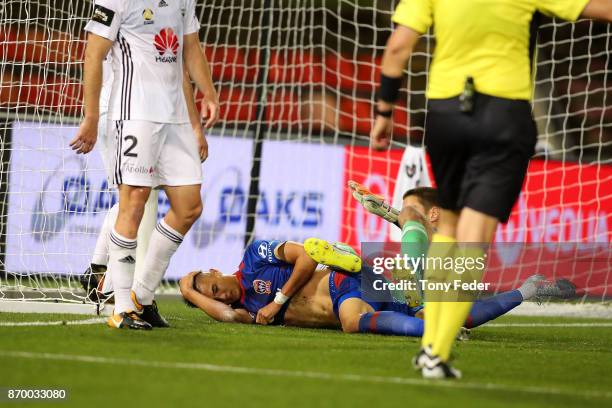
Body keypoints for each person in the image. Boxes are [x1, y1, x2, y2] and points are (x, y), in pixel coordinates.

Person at [369, 0, 612, 378]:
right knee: (474, 239)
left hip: (446, 117)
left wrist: (384, 113)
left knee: (447, 228)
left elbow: (397, 47)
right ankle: (436, 350)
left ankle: (430, 345)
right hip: (503, 116)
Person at [71, 0, 219, 330]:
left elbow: (190, 46)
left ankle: (142, 295)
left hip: (176, 117)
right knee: (134, 199)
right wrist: (91, 117)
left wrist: (207, 93)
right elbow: (93, 54)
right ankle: (123, 306)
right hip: (134, 113)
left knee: (189, 207)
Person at [178, 237, 574, 336]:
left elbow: (308, 255)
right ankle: (530, 290)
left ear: (216, 270)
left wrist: (280, 298)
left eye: (212, 287)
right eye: (210, 297)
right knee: (462, 318)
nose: (221, 295)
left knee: (351, 321)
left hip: (345, 280)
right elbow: (228, 316)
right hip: (369, 298)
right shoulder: (247, 310)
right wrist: (188, 291)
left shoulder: (254, 258)